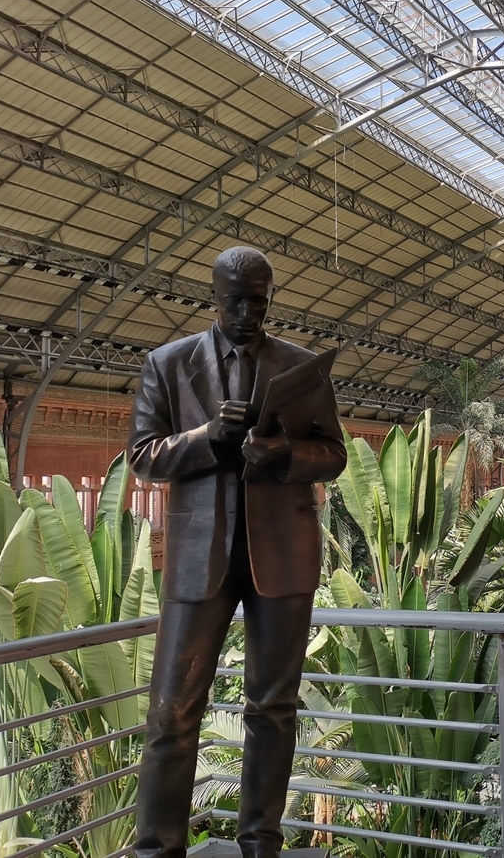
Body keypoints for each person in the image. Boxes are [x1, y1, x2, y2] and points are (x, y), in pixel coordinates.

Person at [128, 246, 348, 858]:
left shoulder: (302, 368)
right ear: (216, 296)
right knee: (171, 714)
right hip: (201, 559)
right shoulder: (169, 364)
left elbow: (333, 453)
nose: (249, 312)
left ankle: (260, 844)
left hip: (282, 555)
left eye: (260, 300)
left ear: (270, 297)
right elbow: (143, 456)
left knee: (273, 709)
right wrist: (207, 440)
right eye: (236, 300)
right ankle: (157, 850)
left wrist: (284, 457)